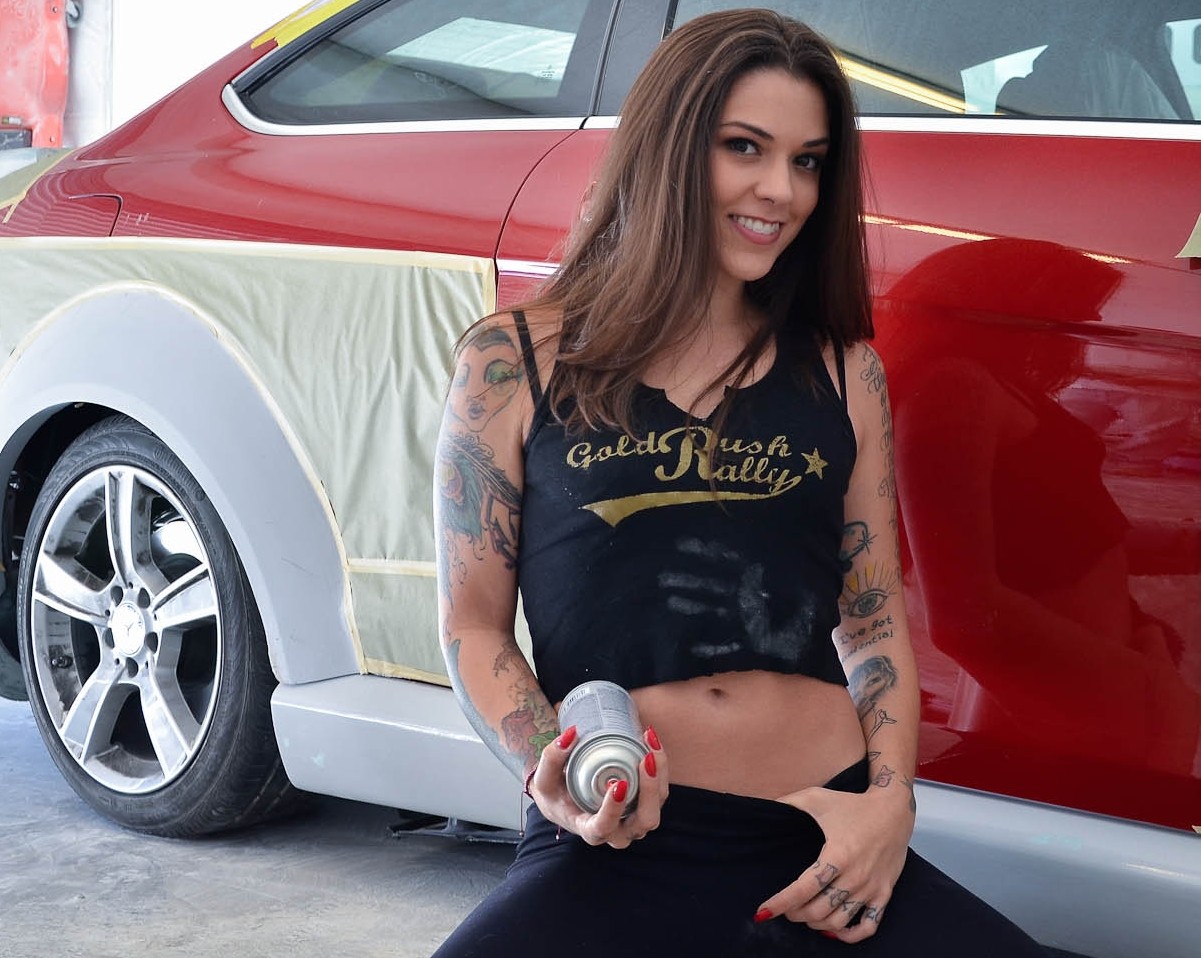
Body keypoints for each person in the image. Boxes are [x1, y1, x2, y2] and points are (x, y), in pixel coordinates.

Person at [432, 10, 1047, 956]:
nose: (781, 191)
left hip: (824, 847)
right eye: (744, 147)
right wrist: (547, 771)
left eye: (808, 161)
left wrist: (888, 808)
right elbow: (472, 623)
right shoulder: (513, 361)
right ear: (668, 147)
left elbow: (871, 617)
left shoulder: (844, 372)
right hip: (619, 838)